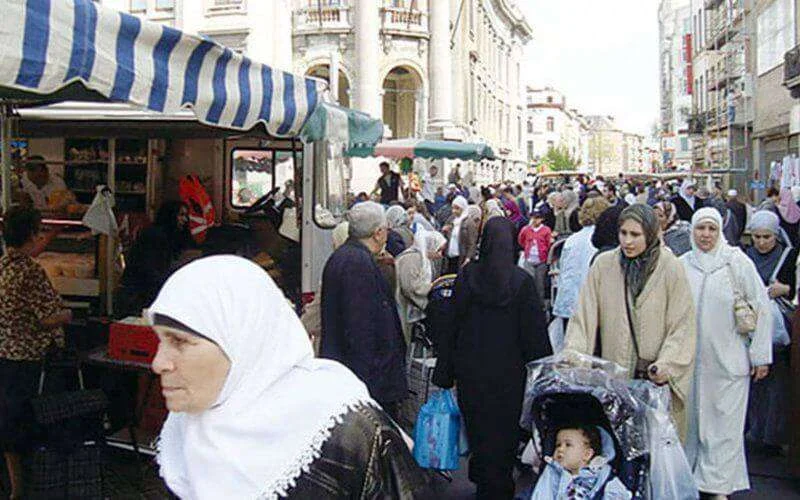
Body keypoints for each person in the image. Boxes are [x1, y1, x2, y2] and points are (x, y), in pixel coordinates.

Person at [147, 256, 429, 499]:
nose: (159, 363)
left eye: (180, 342)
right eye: (160, 340)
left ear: (242, 342)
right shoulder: (185, 429)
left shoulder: (349, 434)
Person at [433, 217, 551, 500]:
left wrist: (444, 373)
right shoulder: (521, 282)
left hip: (471, 373)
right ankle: (499, 485)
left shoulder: (466, 277)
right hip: (509, 376)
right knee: (504, 433)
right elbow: (534, 336)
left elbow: (452, 327)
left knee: (479, 430)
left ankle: (483, 478)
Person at [564, 204, 696, 438]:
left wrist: (667, 364)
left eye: (635, 234)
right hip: (614, 379)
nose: (627, 241)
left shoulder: (670, 267)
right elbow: (583, 317)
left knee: (655, 453)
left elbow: (682, 324)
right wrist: (574, 354)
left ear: (651, 233)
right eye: (623, 233)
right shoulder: (604, 265)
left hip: (653, 383)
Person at [680, 207, 772, 498]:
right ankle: (691, 479)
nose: (705, 235)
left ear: (720, 231)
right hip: (691, 364)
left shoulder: (737, 263)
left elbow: (761, 308)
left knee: (724, 427)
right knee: (693, 424)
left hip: (729, 362)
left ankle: (718, 486)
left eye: (711, 229)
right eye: (700, 229)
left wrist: (760, 356)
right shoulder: (682, 265)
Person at [0, 207, 72, 498]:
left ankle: (15, 484)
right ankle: (25, 487)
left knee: (8, 418)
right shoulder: (31, 272)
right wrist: (66, 314)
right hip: (25, 358)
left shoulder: (5, 264)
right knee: (20, 421)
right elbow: (46, 318)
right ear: (31, 234)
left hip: (4, 351)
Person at [320, 202, 407, 416]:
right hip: (365, 380)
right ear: (378, 233)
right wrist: (368, 385)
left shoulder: (348, 257)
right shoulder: (356, 264)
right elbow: (360, 328)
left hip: (356, 374)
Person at [743, 211, 796, 454]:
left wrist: (785, 289)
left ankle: (773, 435)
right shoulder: (743, 257)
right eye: (757, 237)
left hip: (778, 335)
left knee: (777, 387)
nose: (762, 242)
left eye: (767, 237)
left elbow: (794, 288)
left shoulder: (789, 256)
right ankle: (754, 432)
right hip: (749, 330)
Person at [116, 201, 194, 317]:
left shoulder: (163, 235)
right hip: (139, 294)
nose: (185, 219)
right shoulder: (156, 237)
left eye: (186, 215)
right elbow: (152, 271)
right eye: (181, 215)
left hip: (142, 291)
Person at [551, 197, 609, 329]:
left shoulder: (572, 239)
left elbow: (564, 270)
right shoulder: (600, 239)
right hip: (590, 304)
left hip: (569, 302)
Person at [530, 426, 631, 499]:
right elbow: (542, 493)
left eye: (568, 445)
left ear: (587, 454)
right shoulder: (553, 473)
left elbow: (620, 494)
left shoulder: (601, 475)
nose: (560, 449)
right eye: (558, 445)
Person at [395, 228, 446, 343]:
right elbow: (410, 287)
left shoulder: (423, 259)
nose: (440, 255)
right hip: (402, 304)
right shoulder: (412, 258)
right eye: (438, 250)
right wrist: (431, 289)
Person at [518, 208, 553, 303]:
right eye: (533, 217)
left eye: (537, 218)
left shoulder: (546, 230)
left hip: (541, 260)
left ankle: (540, 303)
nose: (535, 220)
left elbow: (548, 243)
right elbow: (521, 240)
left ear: (542, 219)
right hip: (529, 259)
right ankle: (528, 302)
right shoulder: (526, 229)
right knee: (529, 281)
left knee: (539, 283)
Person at [443, 195, 469, 274]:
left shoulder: (468, 222)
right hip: (450, 255)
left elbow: (472, 241)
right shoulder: (451, 219)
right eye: (453, 208)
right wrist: (444, 230)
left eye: (457, 208)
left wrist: (468, 257)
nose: (454, 211)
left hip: (461, 256)